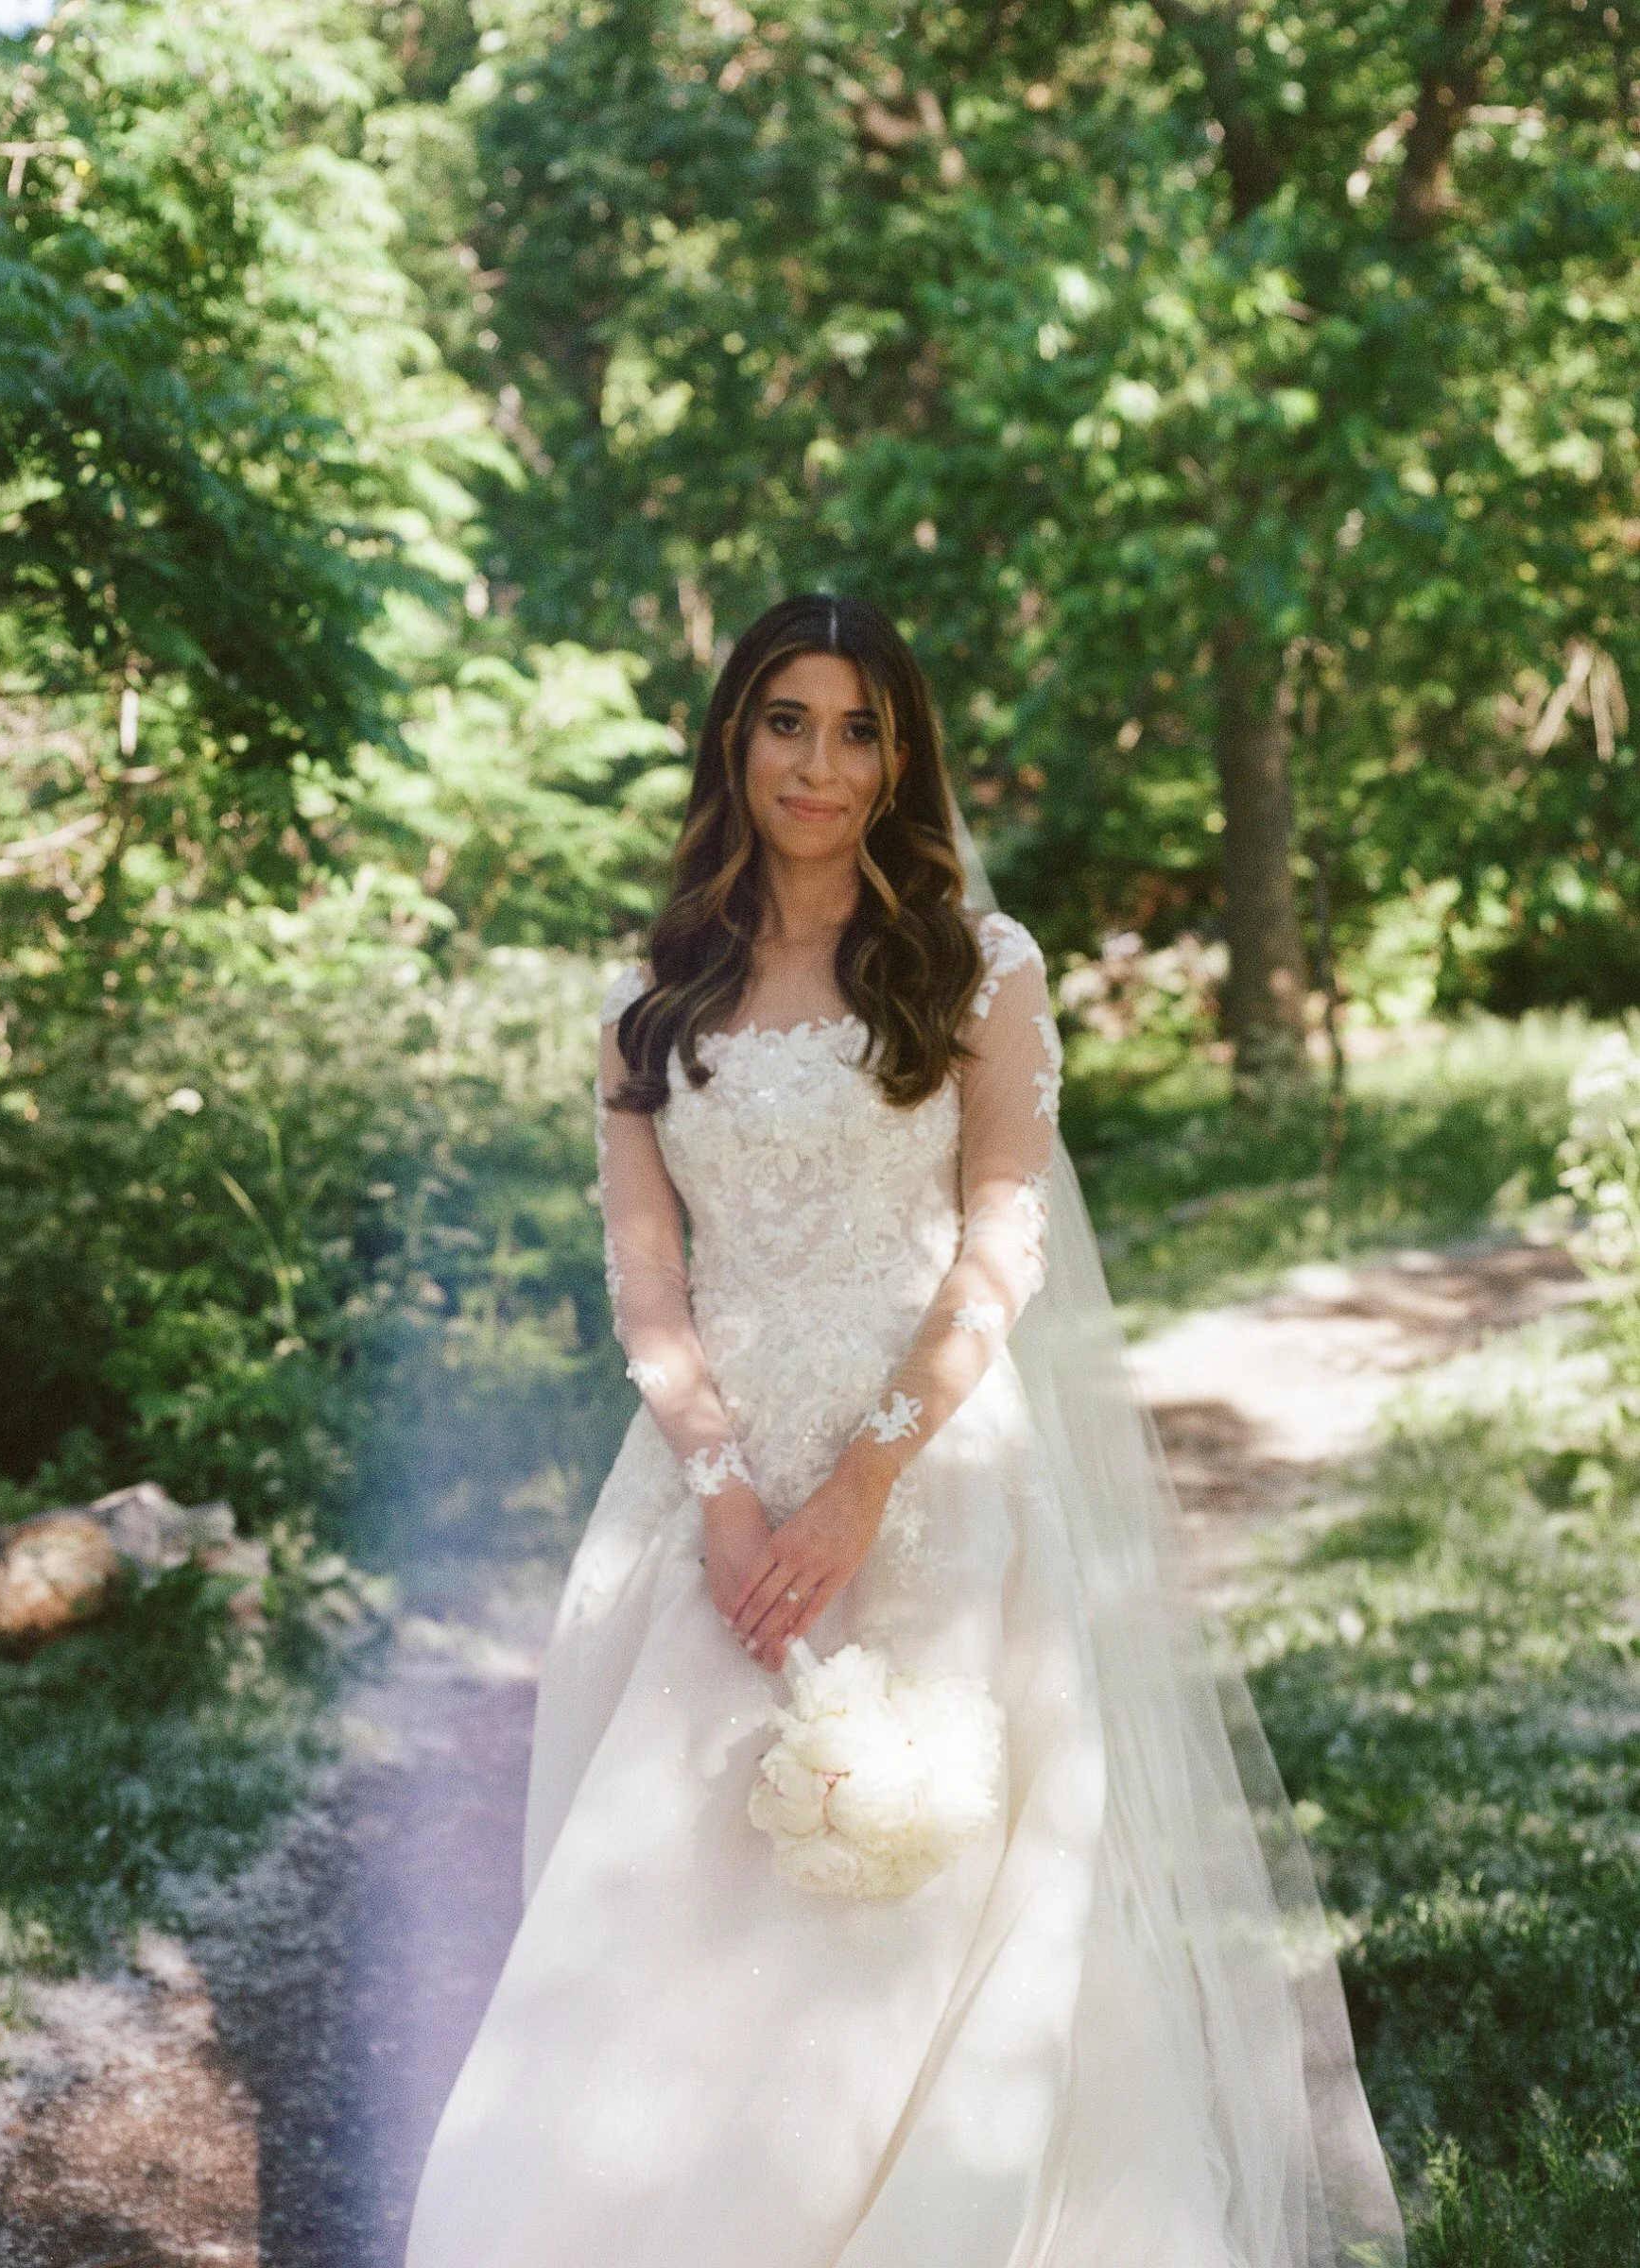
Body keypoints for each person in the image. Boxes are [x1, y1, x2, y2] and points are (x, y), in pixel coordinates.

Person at [405, 594, 1405, 2268]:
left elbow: (1000, 1241)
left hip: (934, 1475)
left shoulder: (974, 971)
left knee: (929, 1894)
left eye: (859, 727)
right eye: (787, 719)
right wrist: (729, 1503)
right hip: (706, 1489)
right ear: (735, 739)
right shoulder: (654, 1000)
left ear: (900, 757)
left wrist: (864, 1480)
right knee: (685, 1891)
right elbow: (649, 1288)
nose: (822, 760)